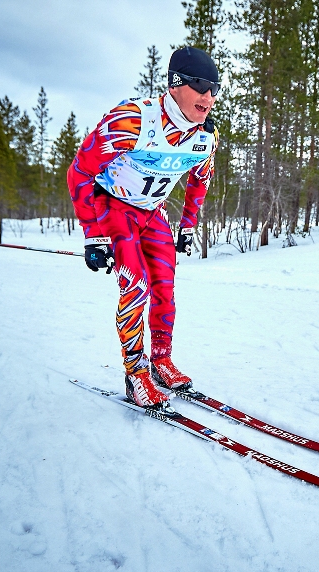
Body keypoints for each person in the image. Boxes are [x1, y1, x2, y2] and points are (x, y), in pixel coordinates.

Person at [67, 46, 220, 409]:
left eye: (215, 89)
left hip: (153, 212)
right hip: (114, 207)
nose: (208, 98)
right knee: (136, 286)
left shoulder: (204, 137)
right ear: (176, 83)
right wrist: (94, 234)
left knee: (164, 288)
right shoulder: (132, 120)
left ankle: (161, 361)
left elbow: (200, 180)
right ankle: (135, 374)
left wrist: (187, 226)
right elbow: (80, 172)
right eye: (200, 86)